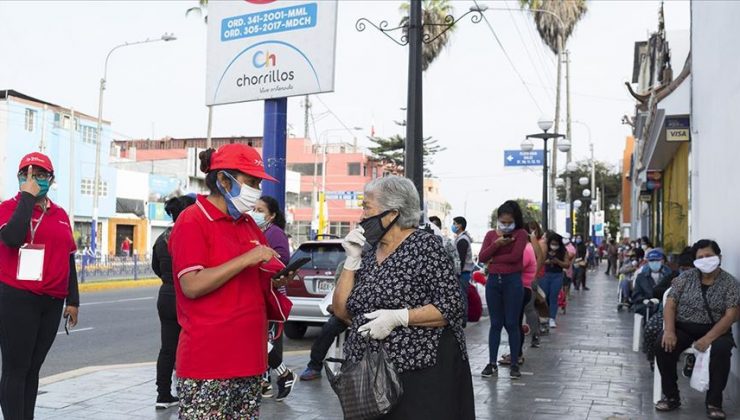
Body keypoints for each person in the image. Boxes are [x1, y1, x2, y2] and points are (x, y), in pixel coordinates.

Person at [333, 175, 474, 419]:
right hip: (368, 378)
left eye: (367, 207)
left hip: (419, 374)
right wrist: (351, 259)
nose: (362, 215)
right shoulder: (367, 253)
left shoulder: (425, 246)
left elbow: (452, 307)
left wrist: (398, 317)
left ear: (392, 213)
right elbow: (342, 311)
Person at [169, 144, 288, 419]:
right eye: (251, 182)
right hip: (209, 362)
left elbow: (255, 277)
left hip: (249, 359)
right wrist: (246, 259)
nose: (257, 190)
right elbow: (192, 285)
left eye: (259, 183)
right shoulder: (193, 220)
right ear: (223, 180)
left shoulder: (247, 223)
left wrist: (279, 277)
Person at [0, 153, 79, 420]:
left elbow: (69, 257)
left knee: (33, 368)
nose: (33, 179)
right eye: (27, 174)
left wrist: (73, 301)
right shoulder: (8, 208)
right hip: (17, 297)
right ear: (20, 179)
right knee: (16, 367)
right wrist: (27, 198)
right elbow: (12, 238)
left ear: (51, 179)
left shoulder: (60, 215)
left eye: (40, 175)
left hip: (52, 300)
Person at [655, 240, 739, 419]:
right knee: (662, 344)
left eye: (709, 256)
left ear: (719, 257)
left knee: (722, 350)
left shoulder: (730, 283)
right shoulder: (685, 278)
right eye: (700, 257)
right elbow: (670, 305)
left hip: (717, 329)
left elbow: (731, 315)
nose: (705, 260)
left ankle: (714, 402)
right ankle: (671, 396)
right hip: (684, 328)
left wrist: (708, 338)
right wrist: (669, 331)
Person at [151, 195, 195, 409]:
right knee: (190, 347)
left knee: (167, 348)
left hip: (166, 294)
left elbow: (156, 267)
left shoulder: (162, 238)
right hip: (187, 295)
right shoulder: (190, 235)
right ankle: (189, 393)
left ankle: (163, 395)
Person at [478, 200, 528, 379]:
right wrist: (497, 244)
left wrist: (494, 260)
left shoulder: (521, 234)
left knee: (512, 324)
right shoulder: (491, 235)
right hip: (493, 283)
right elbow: (483, 257)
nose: (506, 226)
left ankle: (515, 363)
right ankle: (492, 363)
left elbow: (515, 258)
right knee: (495, 324)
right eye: (502, 221)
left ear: (515, 220)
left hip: (513, 282)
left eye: (509, 222)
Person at [252, 195, 295, 401]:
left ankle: (283, 375)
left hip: (270, 294)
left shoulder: (275, 233)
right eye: (254, 208)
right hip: (255, 292)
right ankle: (265, 383)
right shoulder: (254, 231)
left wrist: (259, 257)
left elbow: (281, 261)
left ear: (272, 215)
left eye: (260, 210)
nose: (255, 213)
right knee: (257, 340)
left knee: (262, 340)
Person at [498, 221, 541, 365]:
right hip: (519, 289)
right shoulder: (526, 247)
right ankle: (516, 352)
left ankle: (517, 354)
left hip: (521, 289)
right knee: (513, 322)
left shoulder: (526, 249)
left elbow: (514, 267)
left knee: (514, 323)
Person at [299, 261, 349, 381]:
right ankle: (314, 366)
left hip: (367, 310)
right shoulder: (344, 265)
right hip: (346, 309)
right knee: (329, 328)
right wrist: (338, 308)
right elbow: (338, 291)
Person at [539, 232, 571, 329]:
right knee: (543, 297)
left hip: (557, 275)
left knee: (554, 297)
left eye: (556, 244)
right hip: (545, 275)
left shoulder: (563, 251)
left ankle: (552, 318)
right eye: (552, 244)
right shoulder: (545, 249)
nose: (554, 246)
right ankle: (543, 316)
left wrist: (557, 261)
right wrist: (546, 262)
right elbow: (539, 261)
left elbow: (567, 264)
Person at [631, 249, 676, 317]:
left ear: (662, 261)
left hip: (664, 304)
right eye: (652, 261)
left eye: (657, 260)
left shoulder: (669, 275)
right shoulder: (641, 277)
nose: (654, 262)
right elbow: (636, 295)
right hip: (645, 305)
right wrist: (644, 300)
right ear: (648, 262)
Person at [452, 216, 475, 327]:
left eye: (455, 223)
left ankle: (463, 320)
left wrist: (457, 273)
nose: (453, 226)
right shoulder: (461, 238)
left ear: (460, 225)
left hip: (462, 273)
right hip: (463, 273)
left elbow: (460, 259)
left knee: (462, 296)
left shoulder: (462, 240)